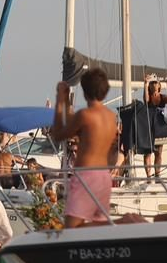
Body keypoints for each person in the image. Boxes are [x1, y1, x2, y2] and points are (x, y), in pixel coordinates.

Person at [50, 67, 124, 228]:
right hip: (104, 177)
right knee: (99, 226)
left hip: (86, 176)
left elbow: (58, 133)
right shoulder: (111, 118)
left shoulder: (85, 115)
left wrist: (60, 101)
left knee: (72, 228)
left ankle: (126, 222)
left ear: (84, 91)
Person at [141, 78, 167, 179]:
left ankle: (157, 175)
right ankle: (148, 176)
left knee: (158, 153)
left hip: (159, 128)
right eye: (153, 84)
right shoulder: (149, 96)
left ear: (159, 86)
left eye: (156, 84)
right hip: (149, 127)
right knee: (147, 153)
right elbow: (146, 100)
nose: (155, 85)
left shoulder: (162, 97)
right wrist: (145, 84)